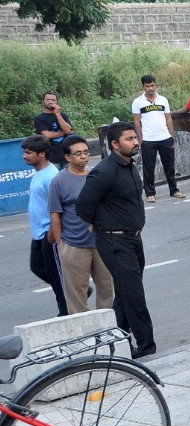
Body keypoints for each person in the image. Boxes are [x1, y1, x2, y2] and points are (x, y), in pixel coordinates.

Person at [75, 122, 156, 358]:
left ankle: (117, 342)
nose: (135, 142)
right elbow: (83, 207)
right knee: (134, 295)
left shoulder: (129, 165)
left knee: (124, 294)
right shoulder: (104, 171)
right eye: (129, 139)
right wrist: (103, 224)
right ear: (114, 144)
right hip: (114, 241)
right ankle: (147, 347)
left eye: (135, 137)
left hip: (133, 239)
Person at [47, 134, 113, 314]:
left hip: (101, 242)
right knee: (77, 295)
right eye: (78, 153)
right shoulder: (59, 181)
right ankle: (84, 336)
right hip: (74, 245)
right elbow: (55, 216)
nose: (83, 156)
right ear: (67, 157)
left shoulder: (96, 175)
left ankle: (106, 330)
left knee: (106, 289)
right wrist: (61, 245)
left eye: (85, 152)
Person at [23, 136, 68, 316]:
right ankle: (73, 291)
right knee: (37, 267)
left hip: (49, 234)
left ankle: (66, 311)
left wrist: (52, 234)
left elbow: (59, 208)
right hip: (39, 234)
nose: (24, 156)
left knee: (57, 277)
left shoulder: (51, 177)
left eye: (28, 153)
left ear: (41, 154)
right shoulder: (39, 173)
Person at [132, 74, 186, 203]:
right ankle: (150, 193)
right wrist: (141, 139)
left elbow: (168, 118)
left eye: (152, 85)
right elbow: (136, 122)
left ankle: (174, 190)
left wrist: (171, 137)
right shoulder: (138, 102)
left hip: (165, 138)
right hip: (148, 140)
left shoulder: (163, 100)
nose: (150, 88)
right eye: (147, 86)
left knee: (169, 166)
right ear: (143, 87)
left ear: (156, 85)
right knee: (148, 168)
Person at [33, 91, 73, 169]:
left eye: (53, 100)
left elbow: (68, 130)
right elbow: (47, 135)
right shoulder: (39, 118)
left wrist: (57, 114)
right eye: (47, 100)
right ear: (43, 102)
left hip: (67, 154)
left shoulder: (63, 116)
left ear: (57, 102)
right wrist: (63, 132)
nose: (50, 102)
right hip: (51, 156)